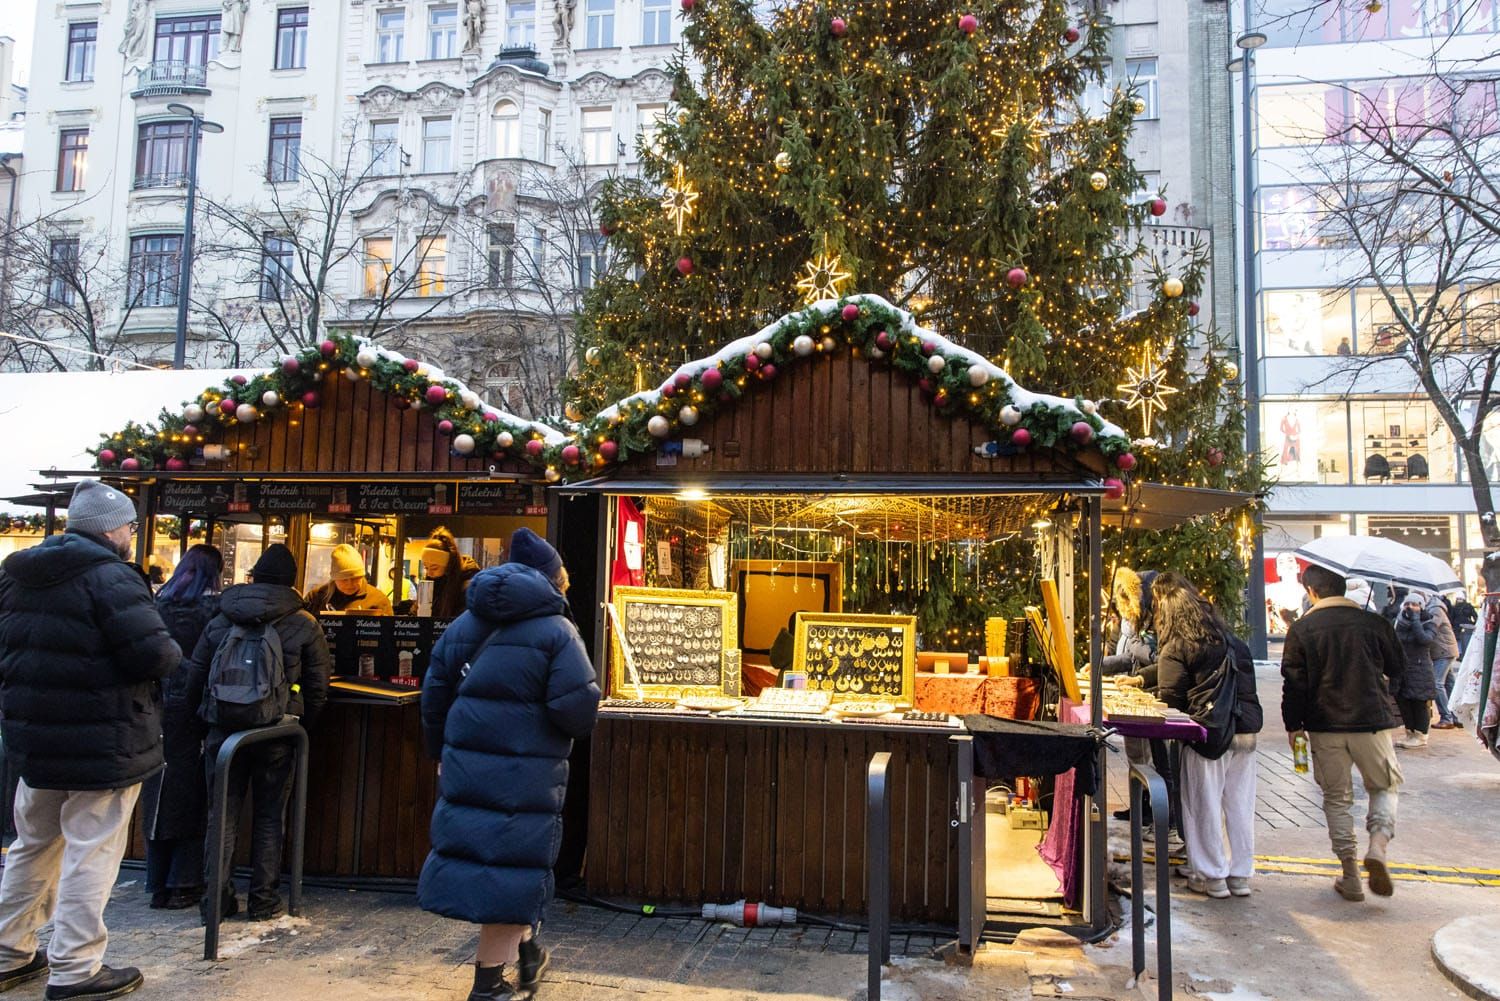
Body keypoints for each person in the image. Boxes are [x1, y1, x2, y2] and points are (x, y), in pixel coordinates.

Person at [0, 479, 181, 999]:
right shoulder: (112, 578)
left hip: (33, 741)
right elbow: (156, 656)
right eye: (129, 526)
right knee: (92, 850)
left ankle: (10, 951)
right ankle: (76, 968)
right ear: (114, 530)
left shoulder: (16, 576)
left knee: (33, 843)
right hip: (104, 740)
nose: (131, 534)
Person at [419, 528, 600, 1001]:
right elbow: (576, 713)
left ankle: (528, 951)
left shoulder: (464, 623)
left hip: (465, 765)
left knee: (498, 861)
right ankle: (488, 986)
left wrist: (439, 751)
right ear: (553, 580)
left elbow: (434, 693)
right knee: (513, 867)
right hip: (526, 773)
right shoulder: (558, 631)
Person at [176, 544, 331, 923]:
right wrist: (300, 727)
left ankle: (215, 901)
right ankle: (263, 901)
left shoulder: (221, 616)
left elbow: (194, 677)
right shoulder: (304, 622)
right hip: (276, 733)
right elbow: (318, 688)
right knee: (268, 816)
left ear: (255, 577)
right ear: (291, 582)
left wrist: (204, 722)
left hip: (222, 731)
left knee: (221, 816)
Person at [1281, 564, 1405, 902]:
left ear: (1311, 592)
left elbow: (1294, 685)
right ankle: (1378, 844)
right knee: (1384, 786)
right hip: (1372, 722)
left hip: (1324, 726)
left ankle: (1350, 873)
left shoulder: (1302, 629)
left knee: (1336, 798)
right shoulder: (1373, 623)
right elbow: (1398, 668)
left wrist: (1294, 726)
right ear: (1343, 588)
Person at [1151, 573, 1262, 899]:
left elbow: (1171, 698)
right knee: (1240, 807)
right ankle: (1240, 875)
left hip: (1207, 736)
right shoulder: (1231, 641)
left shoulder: (1178, 646)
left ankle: (1211, 875)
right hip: (1245, 734)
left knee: (1204, 806)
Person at [144, 544, 224, 911]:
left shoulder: (158, 606)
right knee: (193, 791)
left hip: (157, 708)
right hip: (195, 709)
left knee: (159, 791)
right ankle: (184, 881)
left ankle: (157, 881)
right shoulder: (215, 610)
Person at [1391, 592, 1439, 748]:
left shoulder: (1429, 622)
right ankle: (1409, 733)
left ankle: (1421, 735)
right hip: (1401, 668)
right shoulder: (1398, 622)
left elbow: (1424, 640)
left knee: (1418, 702)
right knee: (1403, 701)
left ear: (1421, 607)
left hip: (1419, 669)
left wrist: (1416, 620)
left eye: (1414, 604)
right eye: (1407, 604)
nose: (1410, 607)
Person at [304, 544, 393, 616]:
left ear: (362, 576)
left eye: (355, 578)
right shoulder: (315, 598)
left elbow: (388, 633)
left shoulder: (378, 600)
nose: (350, 583)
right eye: (344, 579)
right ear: (334, 578)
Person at [421, 527, 480, 618]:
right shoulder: (432, 582)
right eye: (426, 568)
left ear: (448, 565)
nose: (429, 573)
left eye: (434, 568)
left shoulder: (467, 584)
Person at [1425, 592, 1462, 729]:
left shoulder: (1435, 609)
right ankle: (1456, 716)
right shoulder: (1432, 607)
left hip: (1444, 651)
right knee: (1448, 683)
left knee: (1437, 683)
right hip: (1443, 650)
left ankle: (1447, 718)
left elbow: (1430, 628)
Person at [1450, 593, 1478, 658]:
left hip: (1457, 626)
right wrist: (1473, 623)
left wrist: (1452, 626)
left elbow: (1451, 618)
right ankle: (1467, 654)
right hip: (1467, 626)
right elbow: (1475, 616)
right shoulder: (1469, 606)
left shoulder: (1454, 607)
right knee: (1467, 640)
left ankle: (1460, 654)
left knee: (1459, 641)